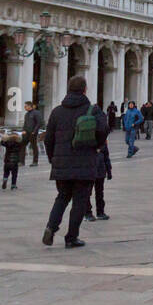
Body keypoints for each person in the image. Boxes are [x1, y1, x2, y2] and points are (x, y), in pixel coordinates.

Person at [41, 75, 107, 249]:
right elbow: (103, 131)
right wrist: (97, 146)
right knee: (80, 201)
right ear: (85, 90)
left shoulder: (56, 112)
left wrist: (53, 159)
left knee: (62, 197)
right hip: (85, 163)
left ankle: (51, 227)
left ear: (68, 89)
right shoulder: (93, 110)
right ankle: (71, 237)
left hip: (61, 164)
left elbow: (48, 139)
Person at [85, 103, 112, 222]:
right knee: (98, 191)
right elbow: (106, 155)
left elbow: (106, 154)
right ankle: (98, 212)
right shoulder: (102, 138)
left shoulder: (86, 137)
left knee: (89, 192)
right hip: (97, 167)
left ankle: (89, 213)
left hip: (91, 168)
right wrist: (109, 170)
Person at [21, 100, 44, 167]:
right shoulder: (26, 114)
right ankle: (21, 162)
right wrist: (23, 130)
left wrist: (34, 131)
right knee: (22, 146)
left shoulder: (36, 113)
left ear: (29, 106)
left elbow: (39, 122)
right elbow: (25, 124)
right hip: (26, 133)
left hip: (33, 133)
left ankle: (35, 161)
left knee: (34, 147)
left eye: (25, 106)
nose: (24, 107)